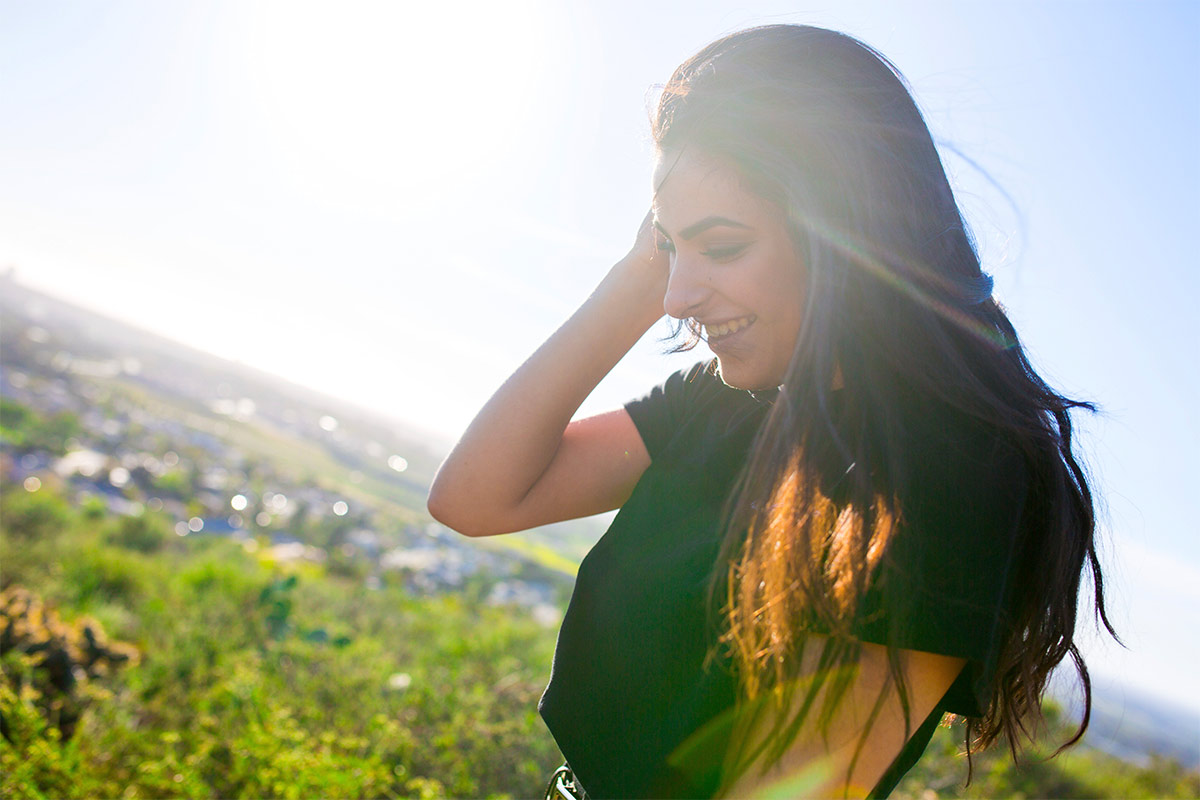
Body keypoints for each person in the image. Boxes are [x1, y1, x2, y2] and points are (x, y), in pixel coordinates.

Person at [427, 24, 1116, 799]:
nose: (678, 297)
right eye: (669, 247)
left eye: (721, 247)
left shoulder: (953, 478)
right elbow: (475, 498)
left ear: (847, 236)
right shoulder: (730, 400)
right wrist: (638, 270)